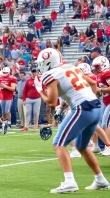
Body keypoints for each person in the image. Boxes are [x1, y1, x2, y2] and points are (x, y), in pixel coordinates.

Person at [36, 48, 110, 193]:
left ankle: (69, 182)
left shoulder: (50, 74)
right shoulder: (71, 67)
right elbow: (93, 84)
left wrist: (40, 91)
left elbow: (51, 102)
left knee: (58, 144)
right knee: (82, 147)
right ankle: (101, 180)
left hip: (82, 108)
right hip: (95, 106)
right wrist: (88, 97)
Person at [22, 67, 41, 131]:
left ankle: (35, 126)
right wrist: (24, 99)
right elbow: (25, 91)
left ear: (37, 73)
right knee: (27, 112)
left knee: (36, 113)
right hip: (29, 98)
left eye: (35, 72)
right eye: (33, 72)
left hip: (37, 98)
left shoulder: (40, 80)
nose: (34, 73)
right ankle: (26, 126)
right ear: (31, 73)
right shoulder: (28, 81)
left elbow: (43, 88)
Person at [0, 67, 17, 131]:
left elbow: (13, 88)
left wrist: (5, 86)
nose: (4, 74)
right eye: (3, 72)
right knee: (3, 111)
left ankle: (9, 123)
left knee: (7, 111)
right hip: (2, 97)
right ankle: (5, 123)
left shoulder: (12, 78)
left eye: (5, 72)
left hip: (9, 97)